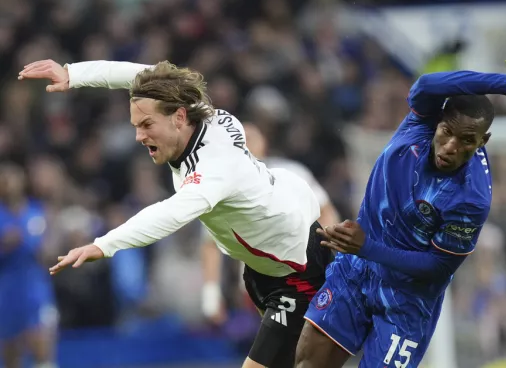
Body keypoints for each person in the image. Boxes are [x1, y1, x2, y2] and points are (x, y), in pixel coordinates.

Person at [18, 59, 333, 368]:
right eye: (136, 126)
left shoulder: (213, 167)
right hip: (265, 265)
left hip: (297, 272)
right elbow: (142, 76)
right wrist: (72, 74)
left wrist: (105, 244)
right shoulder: (191, 109)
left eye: (146, 125)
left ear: (179, 118)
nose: (139, 136)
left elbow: (168, 214)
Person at [294, 71, 506, 368]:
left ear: (482, 141)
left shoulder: (472, 198)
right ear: (437, 122)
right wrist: (504, 85)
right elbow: (425, 85)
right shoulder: (420, 123)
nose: (451, 146)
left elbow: (438, 266)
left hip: (407, 300)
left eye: (466, 140)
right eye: (447, 132)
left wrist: (367, 247)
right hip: (356, 271)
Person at [197, 122, 340, 324]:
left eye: (251, 138)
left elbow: (326, 211)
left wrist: (324, 256)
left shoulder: (291, 171)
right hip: (256, 288)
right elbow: (210, 245)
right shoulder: (221, 188)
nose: (244, 144)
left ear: (265, 142)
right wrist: (210, 298)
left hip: (302, 274)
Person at [0, 163, 58, 368]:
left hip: (35, 289)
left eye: (12, 178)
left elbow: (50, 251)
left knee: (42, 349)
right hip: (7, 293)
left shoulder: (37, 213)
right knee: (11, 356)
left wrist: (47, 250)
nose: (8, 184)